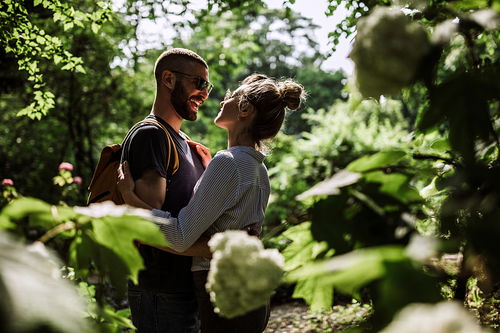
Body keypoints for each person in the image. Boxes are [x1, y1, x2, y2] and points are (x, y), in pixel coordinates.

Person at [118, 73, 305, 333]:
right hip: (248, 291)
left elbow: (180, 236)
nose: (220, 102)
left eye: (231, 97)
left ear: (245, 109)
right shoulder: (257, 167)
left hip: (222, 291)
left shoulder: (228, 162)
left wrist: (130, 199)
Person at [120, 48, 213, 333]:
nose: (204, 93)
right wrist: (213, 249)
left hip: (188, 289)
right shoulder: (151, 135)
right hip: (162, 292)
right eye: (198, 83)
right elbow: (148, 230)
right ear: (169, 79)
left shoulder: (185, 143)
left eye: (207, 86)